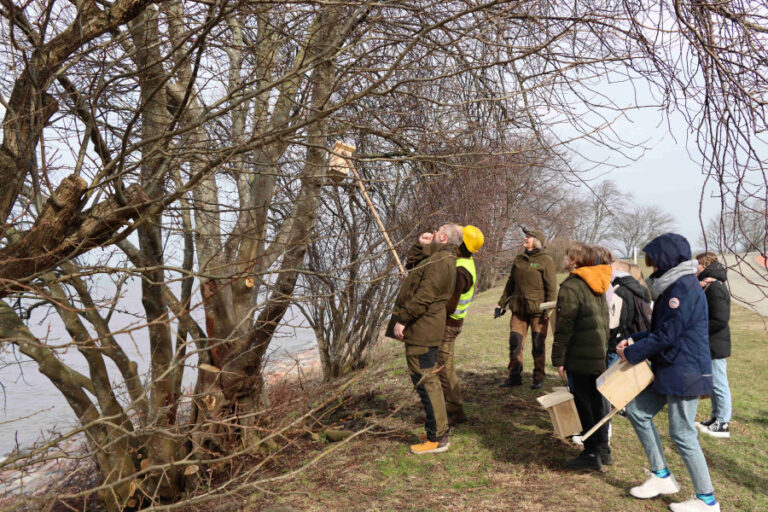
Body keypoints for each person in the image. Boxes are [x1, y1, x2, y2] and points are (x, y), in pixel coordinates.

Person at [617, 233, 720, 512]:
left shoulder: (683, 288)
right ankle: (661, 476)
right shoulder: (673, 285)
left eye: (652, 259)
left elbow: (668, 335)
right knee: (638, 411)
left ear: (666, 259)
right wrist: (635, 340)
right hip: (671, 366)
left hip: (685, 370)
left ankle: (707, 500)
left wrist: (632, 352)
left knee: (683, 433)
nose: (650, 266)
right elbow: (660, 330)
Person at [390, 223, 462, 455]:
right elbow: (413, 266)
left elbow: (424, 296)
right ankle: (438, 432)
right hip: (426, 327)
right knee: (427, 380)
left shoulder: (441, 263)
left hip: (423, 328)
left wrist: (403, 319)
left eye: (437, 230)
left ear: (442, 237)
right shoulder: (440, 259)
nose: (433, 232)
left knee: (426, 382)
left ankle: (437, 438)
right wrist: (420, 245)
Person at [551, 243, 612, 470]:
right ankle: (604, 449)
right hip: (598, 352)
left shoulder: (573, 285)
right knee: (598, 401)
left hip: (580, 354)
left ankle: (591, 453)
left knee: (584, 402)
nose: (564, 258)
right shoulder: (597, 282)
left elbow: (564, 326)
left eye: (567, 255)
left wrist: (559, 359)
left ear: (574, 261)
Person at [495, 228, 557, 389]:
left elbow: (551, 288)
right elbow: (510, 283)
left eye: (528, 237)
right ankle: (514, 377)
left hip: (538, 312)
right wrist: (501, 303)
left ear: (536, 241)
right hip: (518, 310)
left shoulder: (546, 260)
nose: (525, 238)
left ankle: (538, 378)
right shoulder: (519, 259)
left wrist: (548, 310)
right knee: (515, 343)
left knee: (538, 345)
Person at [438, 225, 484, 426]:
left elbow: (450, 305)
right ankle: (447, 410)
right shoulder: (464, 262)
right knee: (443, 368)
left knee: (444, 369)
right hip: (453, 324)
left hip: (448, 325)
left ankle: (454, 412)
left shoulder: (460, 271)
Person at [694, 252, 732, 439]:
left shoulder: (715, 288)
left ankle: (723, 422)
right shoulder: (708, 285)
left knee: (719, 383)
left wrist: (700, 331)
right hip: (711, 341)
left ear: (705, 264)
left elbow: (720, 319)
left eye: (697, 265)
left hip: (715, 342)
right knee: (714, 382)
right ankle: (715, 418)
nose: (695, 268)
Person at [607, 260, 652, 368]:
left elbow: (615, 323)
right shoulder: (640, 290)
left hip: (618, 344)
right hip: (633, 340)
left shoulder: (618, 291)